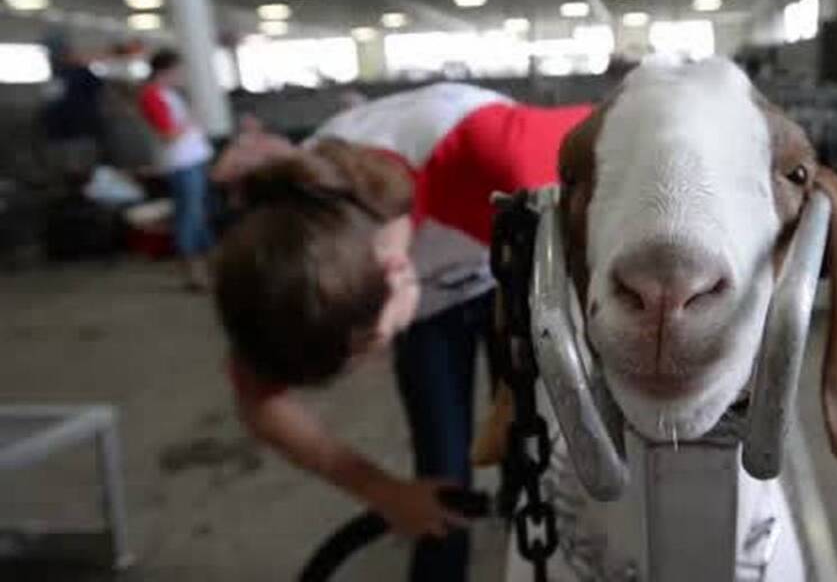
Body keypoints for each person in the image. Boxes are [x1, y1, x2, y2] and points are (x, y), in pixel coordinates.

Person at [211, 83, 591, 582]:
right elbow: (259, 402)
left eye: (371, 346)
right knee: (442, 467)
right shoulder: (284, 260)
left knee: (540, 452)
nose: (372, 364)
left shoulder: (504, 156)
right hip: (436, 291)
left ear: (397, 272)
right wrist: (384, 493)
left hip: (502, 262)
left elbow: (644, 127)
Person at [137, 50, 215, 290]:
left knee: (196, 216)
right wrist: (191, 121)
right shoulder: (152, 96)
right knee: (188, 218)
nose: (181, 76)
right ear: (165, 71)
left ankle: (207, 265)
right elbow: (168, 135)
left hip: (192, 160)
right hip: (182, 163)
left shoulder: (168, 94)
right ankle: (193, 272)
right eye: (178, 71)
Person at [41, 35, 105, 183]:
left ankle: (79, 197)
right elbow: (50, 102)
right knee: (62, 169)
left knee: (79, 170)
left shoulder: (82, 72)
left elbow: (98, 88)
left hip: (80, 132)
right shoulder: (55, 73)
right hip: (57, 133)